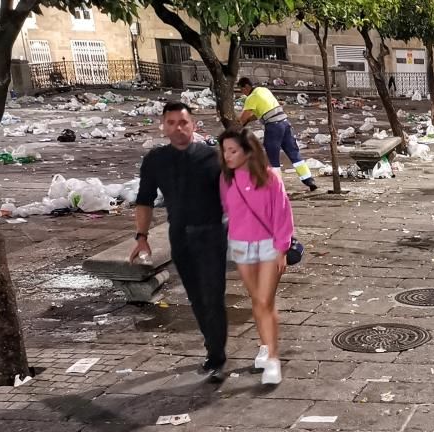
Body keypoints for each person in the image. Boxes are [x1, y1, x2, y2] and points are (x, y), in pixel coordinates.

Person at [130, 102, 228, 382]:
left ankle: (216, 355)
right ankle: (211, 344)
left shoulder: (213, 157)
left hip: (212, 234)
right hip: (181, 235)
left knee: (213, 296)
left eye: (183, 122)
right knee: (196, 297)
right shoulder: (155, 160)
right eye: (171, 122)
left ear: (193, 125)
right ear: (164, 126)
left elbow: (236, 193)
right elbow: (144, 200)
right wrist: (142, 237)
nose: (178, 128)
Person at [218, 128, 293, 385]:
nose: (227, 156)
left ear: (248, 151)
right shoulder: (227, 179)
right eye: (224, 151)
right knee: (257, 299)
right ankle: (264, 345)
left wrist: (282, 248)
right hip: (240, 246)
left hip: (268, 246)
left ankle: (273, 358)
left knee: (264, 300)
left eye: (233, 150)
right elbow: (227, 210)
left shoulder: (271, 178)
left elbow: (283, 215)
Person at [236, 77, 318, 192]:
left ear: (246, 87)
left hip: (273, 127)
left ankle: (277, 186)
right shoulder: (263, 90)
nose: (242, 93)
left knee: (272, 157)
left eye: (242, 90)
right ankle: (309, 180)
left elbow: (243, 118)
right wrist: (249, 119)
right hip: (285, 124)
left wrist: (238, 124)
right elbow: (262, 112)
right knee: (293, 152)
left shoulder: (251, 98)